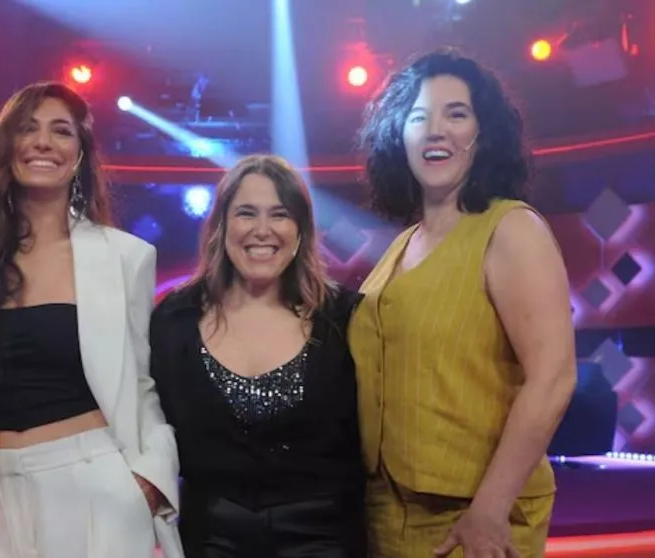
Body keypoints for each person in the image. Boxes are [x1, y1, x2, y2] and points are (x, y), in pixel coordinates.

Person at [350, 48, 577, 557]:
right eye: (418, 117)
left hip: (475, 523)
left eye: (456, 114)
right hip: (386, 515)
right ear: (399, 136)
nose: (436, 131)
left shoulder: (512, 228)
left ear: (483, 133)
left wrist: (490, 509)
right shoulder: (401, 244)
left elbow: (554, 377)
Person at [0, 81, 182, 558]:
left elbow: (140, 383)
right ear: (6, 145)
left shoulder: (125, 257)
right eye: (28, 129)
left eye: (61, 131)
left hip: (93, 483)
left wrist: (149, 479)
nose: (43, 143)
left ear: (80, 153)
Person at [150, 154, 367, 558]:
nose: (262, 230)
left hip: (323, 537)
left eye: (279, 215)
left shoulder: (345, 318)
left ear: (301, 229)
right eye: (246, 213)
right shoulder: (173, 320)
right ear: (221, 226)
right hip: (211, 537)